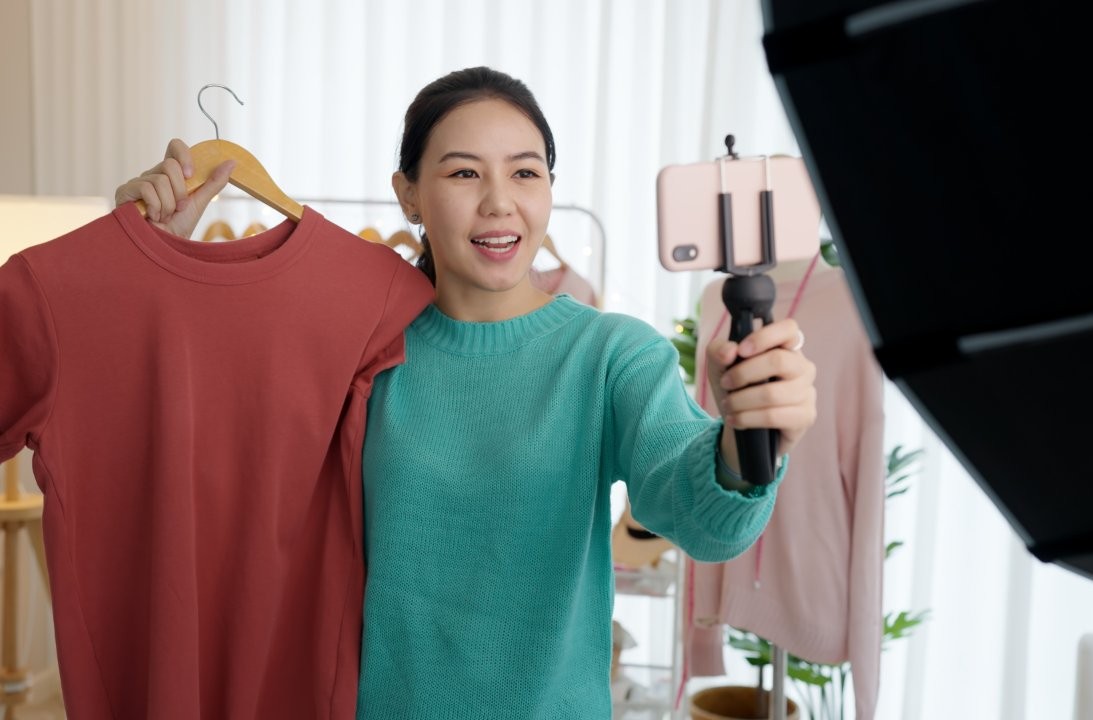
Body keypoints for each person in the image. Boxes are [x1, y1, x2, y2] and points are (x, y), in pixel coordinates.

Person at [117, 66, 817, 718]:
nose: (498, 203)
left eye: (524, 172)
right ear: (409, 194)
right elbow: (190, 441)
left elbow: (696, 516)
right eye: (462, 173)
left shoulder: (611, 354)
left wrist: (743, 443)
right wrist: (152, 263)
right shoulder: (352, 349)